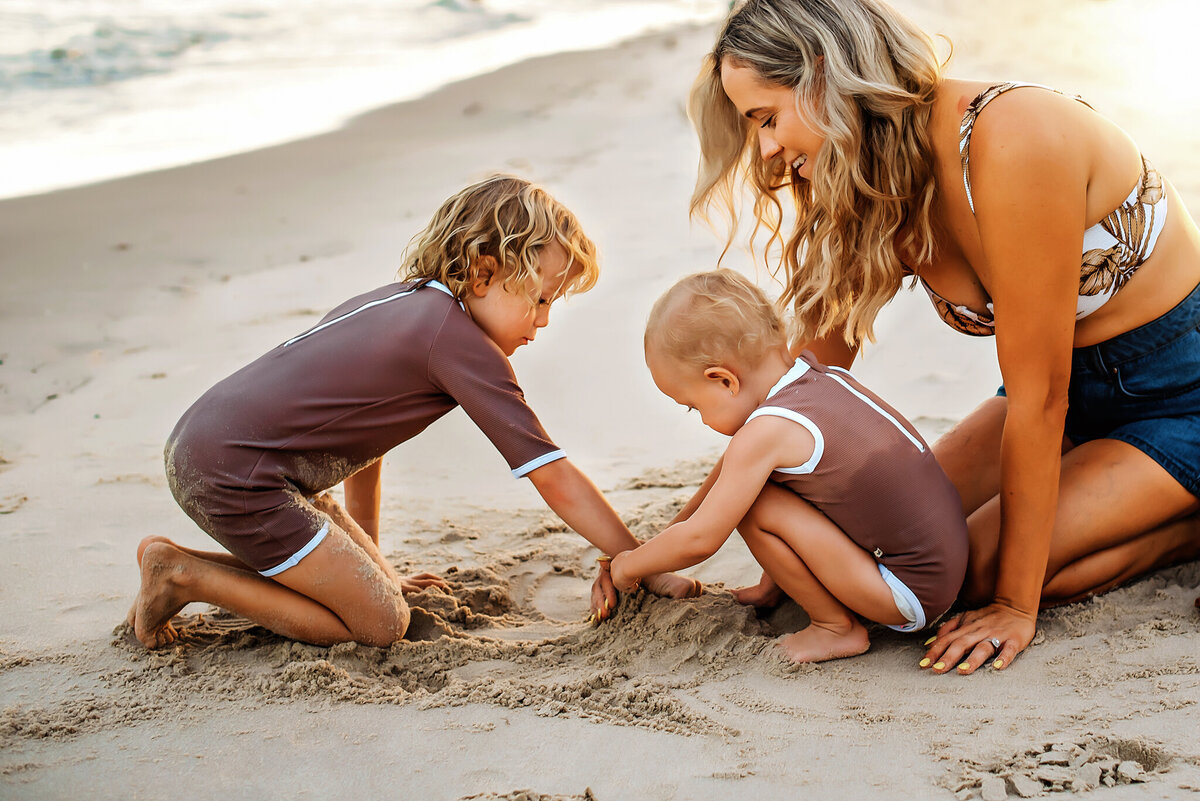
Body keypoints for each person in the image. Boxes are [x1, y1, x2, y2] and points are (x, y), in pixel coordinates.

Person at [686, 0, 1200, 674]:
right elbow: (798, 386)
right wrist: (680, 537)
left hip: (1176, 395)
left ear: (822, 74)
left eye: (766, 118)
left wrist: (1016, 606)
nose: (766, 149)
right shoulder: (872, 175)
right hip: (1058, 395)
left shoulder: (1009, 136)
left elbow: (1039, 399)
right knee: (888, 548)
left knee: (967, 579)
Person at [128, 174, 699, 650]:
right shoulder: (459, 345)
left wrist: (375, 562)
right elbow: (552, 474)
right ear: (484, 272)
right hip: (239, 475)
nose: (544, 321)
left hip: (213, 447)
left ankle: (179, 563)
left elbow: (362, 447)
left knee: (378, 589)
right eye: (541, 298)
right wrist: (643, 562)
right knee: (380, 623)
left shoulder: (402, 303)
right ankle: (184, 575)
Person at [605, 269, 967, 663]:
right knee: (788, 487)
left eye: (694, 407)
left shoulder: (765, 433)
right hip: (945, 567)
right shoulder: (821, 378)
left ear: (724, 380)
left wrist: (629, 564)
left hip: (907, 594)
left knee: (756, 505)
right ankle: (772, 589)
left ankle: (835, 627)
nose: (701, 418)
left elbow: (701, 538)